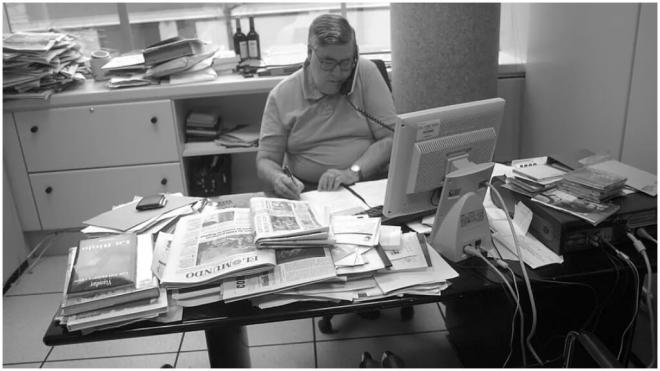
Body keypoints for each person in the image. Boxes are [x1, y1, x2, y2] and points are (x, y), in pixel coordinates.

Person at [257, 14, 399, 199]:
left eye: (345, 62)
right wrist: (278, 179)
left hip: (366, 183)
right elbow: (266, 161)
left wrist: (352, 172)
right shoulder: (282, 94)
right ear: (309, 53)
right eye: (328, 62)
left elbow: (391, 138)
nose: (338, 73)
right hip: (308, 191)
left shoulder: (365, 73)